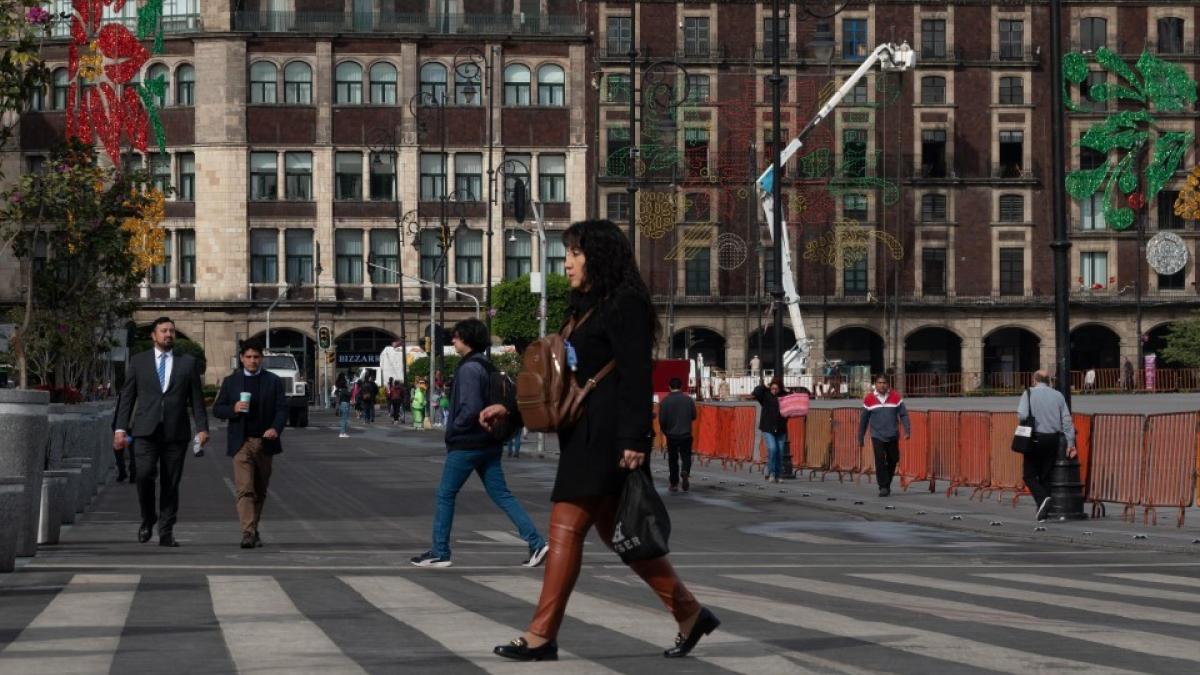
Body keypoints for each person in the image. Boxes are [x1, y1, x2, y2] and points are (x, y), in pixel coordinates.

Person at [482, 219, 718, 662]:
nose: (566, 261)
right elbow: (559, 380)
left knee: (565, 527)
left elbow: (635, 374)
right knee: (621, 537)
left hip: (607, 437)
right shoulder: (583, 308)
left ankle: (541, 634)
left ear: (599, 256)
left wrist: (636, 439)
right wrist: (512, 411)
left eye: (575, 252)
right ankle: (689, 613)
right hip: (584, 434)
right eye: (567, 252)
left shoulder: (625, 303)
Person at [410, 318, 549, 569]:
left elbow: (471, 407)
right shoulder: (486, 365)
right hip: (489, 442)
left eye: (457, 336)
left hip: (468, 443)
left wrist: (456, 428)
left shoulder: (469, 369)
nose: (452, 340)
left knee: (445, 495)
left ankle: (440, 551)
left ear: (467, 339)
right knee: (502, 494)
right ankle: (536, 542)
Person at [113, 317, 209, 547]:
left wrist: (202, 428)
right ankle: (148, 518)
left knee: (170, 482)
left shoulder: (188, 363)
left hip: (176, 433)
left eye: (172, 331)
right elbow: (127, 397)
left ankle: (166, 531)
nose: (169, 334)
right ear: (153, 335)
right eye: (164, 331)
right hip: (145, 431)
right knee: (144, 476)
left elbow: (196, 400)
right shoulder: (138, 362)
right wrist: (120, 428)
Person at [212, 340, 288, 549]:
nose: (252, 360)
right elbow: (218, 409)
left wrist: (275, 428)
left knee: (260, 490)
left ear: (261, 358)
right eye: (249, 357)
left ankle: (253, 527)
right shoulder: (231, 382)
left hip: (265, 442)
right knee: (245, 489)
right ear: (242, 359)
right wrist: (233, 408)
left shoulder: (273, 381)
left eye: (256, 357)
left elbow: (282, 410)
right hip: (241, 442)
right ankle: (247, 532)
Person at [1017, 370, 1078, 522]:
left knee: (1029, 475)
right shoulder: (1058, 395)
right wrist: (1070, 443)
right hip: (1053, 440)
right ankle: (1042, 513)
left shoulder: (1028, 393)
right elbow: (1066, 420)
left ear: (1034, 380)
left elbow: (1022, 415)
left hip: (1035, 438)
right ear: (1049, 380)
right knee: (1045, 476)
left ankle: (1043, 498)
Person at [857, 375, 912, 497]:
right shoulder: (869, 399)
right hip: (877, 435)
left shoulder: (896, 397)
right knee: (880, 460)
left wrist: (907, 430)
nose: (882, 385)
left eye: (884, 383)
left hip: (892, 435)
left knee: (894, 459)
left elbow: (903, 415)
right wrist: (860, 437)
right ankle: (883, 486)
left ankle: (886, 483)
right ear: (875, 384)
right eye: (879, 383)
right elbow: (864, 420)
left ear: (888, 384)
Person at [659, 377, 697, 493]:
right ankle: (685, 470)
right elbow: (694, 416)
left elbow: (662, 420)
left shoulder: (665, 401)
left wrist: (666, 431)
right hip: (686, 434)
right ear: (681, 387)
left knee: (673, 459)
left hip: (672, 435)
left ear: (669, 387)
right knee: (686, 455)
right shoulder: (689, 400)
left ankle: (674, 483)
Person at [751, 377, 789, 483]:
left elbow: (795, 400)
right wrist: (764, 386)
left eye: (776, 389)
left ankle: (778, 474)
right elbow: (756, 392)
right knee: (772, 449)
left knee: (780, 452)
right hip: (768, 427)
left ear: (780, 388)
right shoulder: (765, 395)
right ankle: (772, 473)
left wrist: (788, 391)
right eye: (772, 388)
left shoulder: (784, 396)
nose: (774, 391)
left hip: (781, 428)